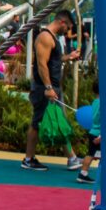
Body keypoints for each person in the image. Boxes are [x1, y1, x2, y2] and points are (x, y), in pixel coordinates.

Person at [23, 9, 77, 171]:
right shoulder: (45, 37)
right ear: (62, 22)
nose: (67, 31)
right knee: (37, 122)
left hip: (52, 88)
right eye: (67, 27)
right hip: (44, 89)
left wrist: (69, 57)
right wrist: (48, 87)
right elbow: (41, 64)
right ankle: (29, 159)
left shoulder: (53, 38)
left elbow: (53, 60)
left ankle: (72, 158)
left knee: (56, 120)